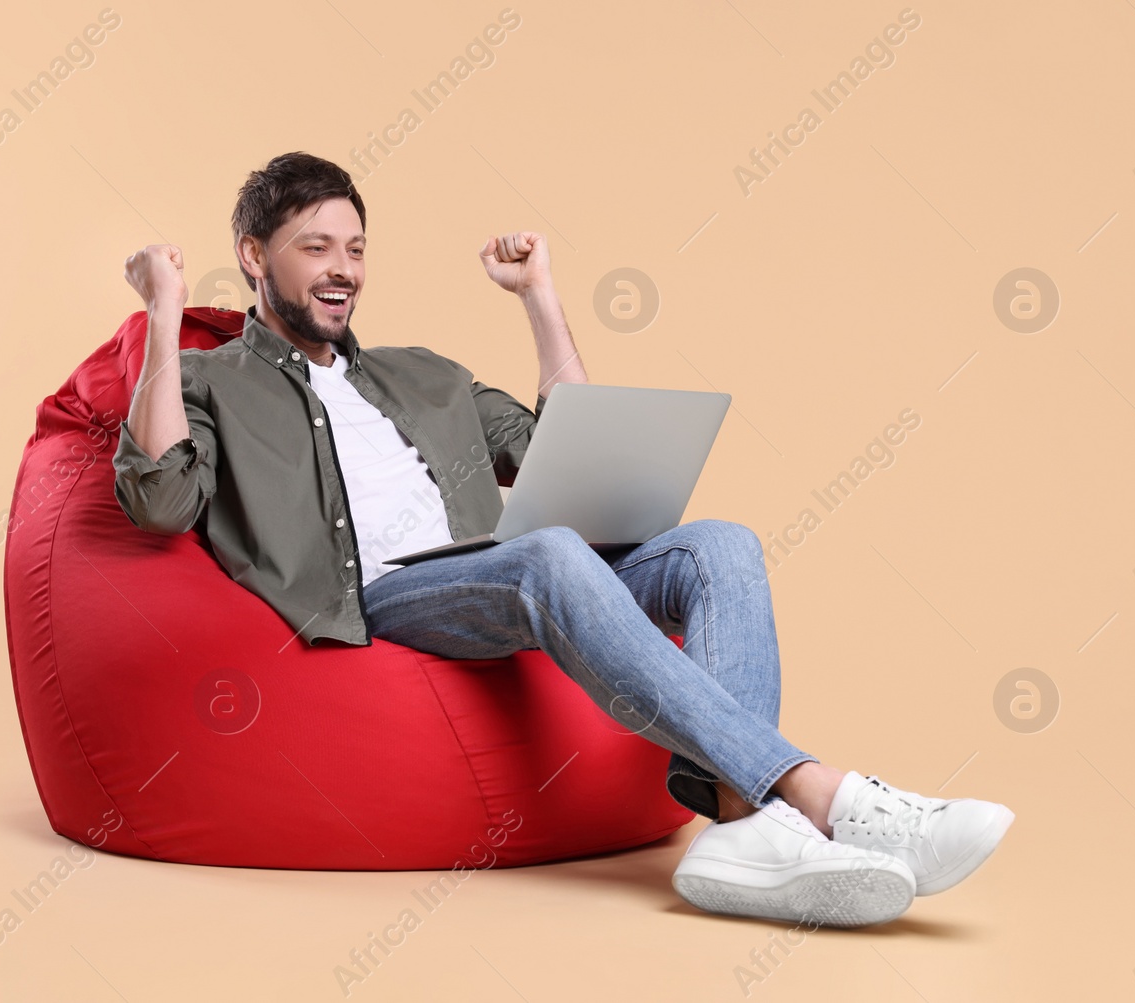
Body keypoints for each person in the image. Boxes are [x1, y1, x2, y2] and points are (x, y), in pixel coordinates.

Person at [111, 151, 1013, 927]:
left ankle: (741, 820)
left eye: (354, 249)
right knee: (548, 554)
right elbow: (158, 499)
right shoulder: (210, 377)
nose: (342, 269)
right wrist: (164, 310)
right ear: (253, 257)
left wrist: (540, 298)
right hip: (382, 595)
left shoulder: (421, 375)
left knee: (719, 545)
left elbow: (561, 448)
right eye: (315, 247)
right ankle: (821, 795)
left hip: (494, 566)